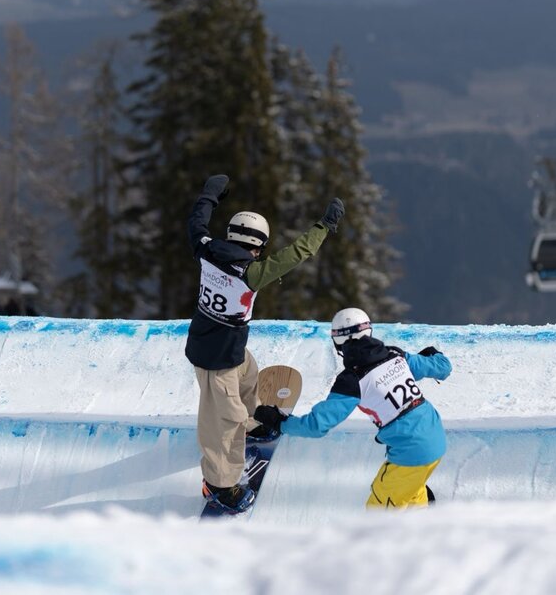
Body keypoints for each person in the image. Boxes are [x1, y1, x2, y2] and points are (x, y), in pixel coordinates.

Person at [188, 173, 345, 512]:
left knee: (250, 374)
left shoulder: (204, 249)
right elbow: (296, 253)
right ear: (256, 247)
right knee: (223, 426)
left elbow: (196, 221)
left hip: (222, 346)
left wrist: (210, 194)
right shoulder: (251, 272)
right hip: (216, 361)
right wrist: (323, 227)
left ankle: (251, 420)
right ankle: (220, 485)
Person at [254, 307, 451, 509]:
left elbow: (315, 426)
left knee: (379, 510)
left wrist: (279, 421)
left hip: (411, 452)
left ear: (337, 342)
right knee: (408, 489)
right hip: (435, 436)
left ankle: (407, 535)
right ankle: (423, 517)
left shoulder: (352, 380)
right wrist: (433, 355)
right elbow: (443, 368)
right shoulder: (395, 355)